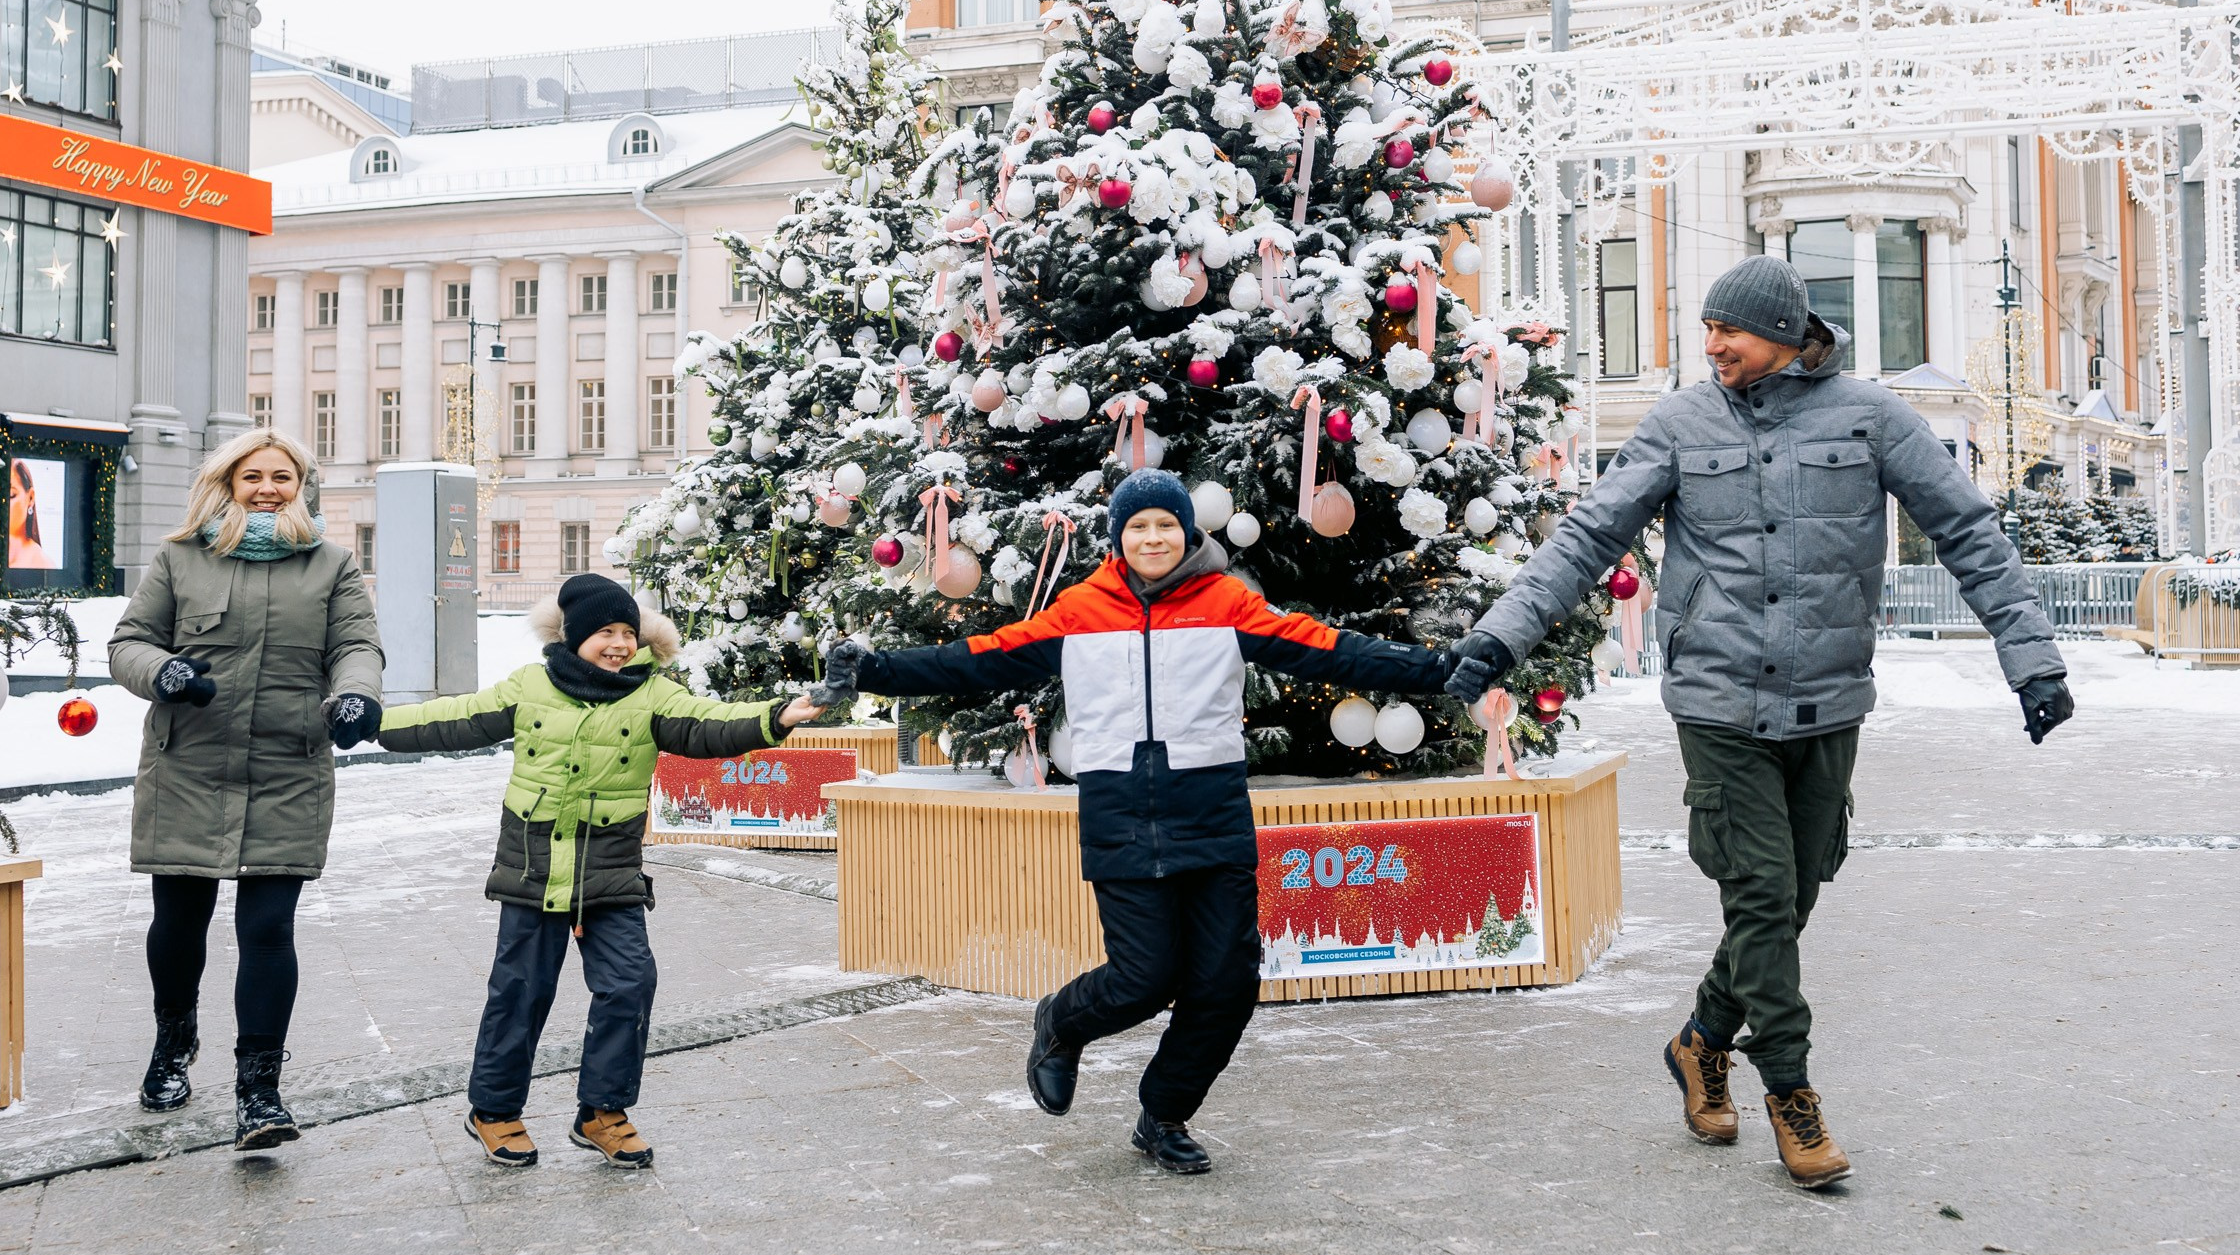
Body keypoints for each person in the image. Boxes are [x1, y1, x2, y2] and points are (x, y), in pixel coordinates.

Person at [1441, 256, 2075, 1190]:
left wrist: (2032, 659)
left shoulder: (1869, 415)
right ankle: (1791, 1091)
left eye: (1727, 331)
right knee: (1764, 898)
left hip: (1827, 698)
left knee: (1793, 896)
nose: (1711, 347)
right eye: (1705, 330)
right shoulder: (1682, 422)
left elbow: (1969, 532)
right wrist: (1499, 642)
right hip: (1719, 700)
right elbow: (1585, 541)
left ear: (1785, 331)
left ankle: (1701, 1038)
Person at [820, 469, 1450, 1175]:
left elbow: (1331, 649)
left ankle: (1164, 1115)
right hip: (1121, 812)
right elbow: (977, 662)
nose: (1153, 537)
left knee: (1227, 981)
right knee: (1144, 977)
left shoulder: (1227, 601)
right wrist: (874, 670)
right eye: (1138, 526)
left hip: (1211, 812)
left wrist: (1442, 670)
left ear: (1188, 532)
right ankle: (1061, 1022)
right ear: (1120, 537)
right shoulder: (1082, 608)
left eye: (1165, 525)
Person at [374, 573, 833, 1170]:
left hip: (611, 869)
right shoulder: (532, 685)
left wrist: (777, 716)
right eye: (604, 633)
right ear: (574, 636)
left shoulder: (652, 693)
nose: (618, 644)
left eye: (626, 632)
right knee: (519, 990)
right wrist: (372, 724)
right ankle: (493, 1111)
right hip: (535, 867)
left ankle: (602, 1112)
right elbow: (457, 717)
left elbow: (709, 724)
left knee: (629, 983)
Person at [108, 427, 385, 1151]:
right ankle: (174, 1040)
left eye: (282, 477)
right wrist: (161, 672)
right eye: (253, 476)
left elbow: (356, 646)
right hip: (188, 765)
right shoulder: (179, 557)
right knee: (179, 925)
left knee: (266, 930)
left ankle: (259, 1088)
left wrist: (356, 696)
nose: (267, 488)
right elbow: (128, 642)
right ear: (227, 484)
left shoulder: (331, 564)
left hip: (288, 768)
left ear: (303, 486)